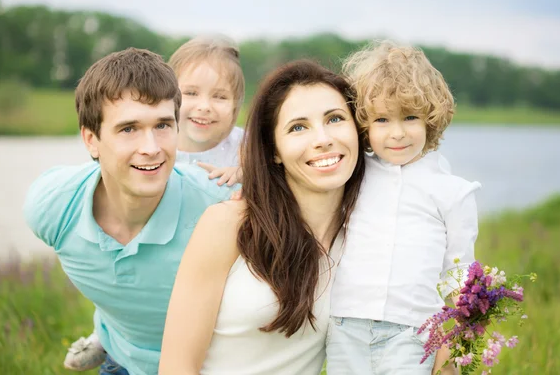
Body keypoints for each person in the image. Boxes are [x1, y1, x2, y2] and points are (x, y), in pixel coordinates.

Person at [23, 48, 234, 375]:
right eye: (128, 129)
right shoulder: (52, 206)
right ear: (91, 140)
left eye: (163, 125)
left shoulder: (221, 204)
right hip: (120, 360)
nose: (151, 147)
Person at [159, 59, 366, 374]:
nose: (322, 139)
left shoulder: (367, 234)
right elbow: (177, 366)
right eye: (298, 127)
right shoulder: (229, 224)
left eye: (335, 119)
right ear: (274, 150)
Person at [326, 41, 481, 374]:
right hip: (344, 326)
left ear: (431, 118)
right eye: (382, 119)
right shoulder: (352, 173)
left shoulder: (453, 192)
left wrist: (453, 346)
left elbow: (459, 273)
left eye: (410, 117)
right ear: (364, 124)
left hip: (414, 333)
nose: (397, 133)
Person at [170, 35, 245, 186]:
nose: (204, 107)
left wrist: (246, 174)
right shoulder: (155, 144)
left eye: (219, 97)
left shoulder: (245, 146)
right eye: (191, 93)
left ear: (235, 105)